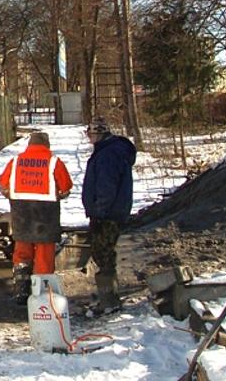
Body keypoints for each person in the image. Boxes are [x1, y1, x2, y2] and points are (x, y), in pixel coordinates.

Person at [0, 131, 73, 304]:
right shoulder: (54, 161)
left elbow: (3, 184)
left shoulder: (16, 161)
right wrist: (58, 195)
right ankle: (41, 294)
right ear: (47, 145)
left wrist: (13, 195)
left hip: (21, 212)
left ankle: (21, 291)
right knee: (44, 253)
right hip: (46, 213)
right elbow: (66, 187)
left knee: (22, 250)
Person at [82, 116, 136, 315]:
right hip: (112, 211)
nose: (89, 137)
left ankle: (109, 300)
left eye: (91, 133)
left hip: (107, 213)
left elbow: (106, 186)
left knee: (103, 253)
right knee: (104, 253)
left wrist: (99, 212)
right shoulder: (110, 151)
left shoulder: (107, 155)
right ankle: (109, 297)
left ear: (99, 133)